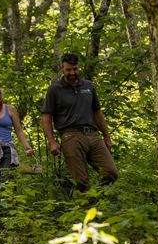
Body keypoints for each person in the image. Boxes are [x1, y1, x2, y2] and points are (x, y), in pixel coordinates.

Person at [42, 52, 118, 192]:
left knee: (110, 172)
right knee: (81, 181)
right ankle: (89, 211)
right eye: (68, 70)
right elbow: (47, 117)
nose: (72, 73)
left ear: (79, 68)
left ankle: (98, 199)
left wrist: (107, 136)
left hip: (93, 135)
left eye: (75, 69)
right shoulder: (55, 89)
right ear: (62, 69)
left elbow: (97, 113)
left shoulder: (88, 86)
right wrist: (52, 141)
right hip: (71, 136)